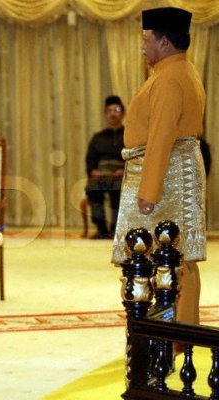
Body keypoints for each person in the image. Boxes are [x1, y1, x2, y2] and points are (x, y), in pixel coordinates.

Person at [112, 7, 206, 326]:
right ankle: (174, 333)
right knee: (174, 259)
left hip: (167, 177)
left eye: (146, 38)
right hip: (172, 171)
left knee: (170, 259)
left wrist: (148, 191)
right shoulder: (179, 71)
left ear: (164, 41)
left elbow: (162, 136)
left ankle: (176, 335)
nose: (142, 44)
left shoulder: (168, 79)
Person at [85, 95, 125, 239]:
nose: (113, 113)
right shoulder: (98, 137)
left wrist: (125, 170)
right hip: (101, 176)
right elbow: (90, 159)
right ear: (105, 114)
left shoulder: (129, 135)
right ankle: (101, 229)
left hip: (121, 176)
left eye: (117, 110)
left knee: (118, 192)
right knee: (92, 189)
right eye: (109, 111)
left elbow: (135, 156)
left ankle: (116, 229)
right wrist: (92, 171)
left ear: (123, 113)